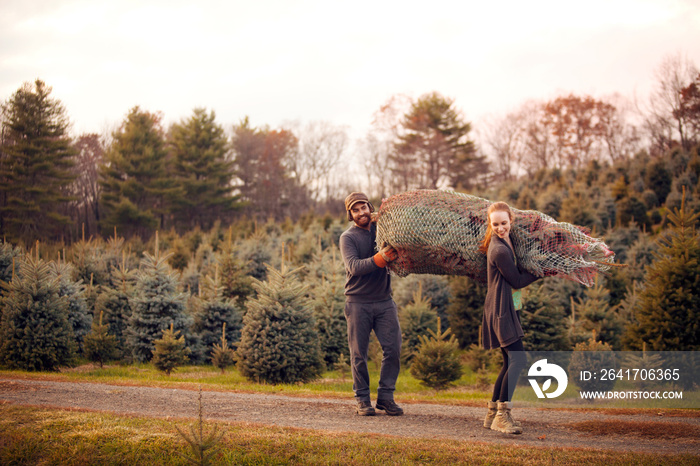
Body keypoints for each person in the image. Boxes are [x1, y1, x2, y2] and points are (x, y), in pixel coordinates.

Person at [339, 192, 404, 416]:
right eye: (355, 210)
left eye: (364, 208)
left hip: (384, 301)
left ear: (370, 207)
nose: (361, 213)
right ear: (350, 214)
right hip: (358, 303)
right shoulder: (348, 237)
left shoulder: (381, 231)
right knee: (359, 354)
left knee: (393, 349)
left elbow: (401, 237)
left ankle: (386, 397)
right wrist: (381, 258)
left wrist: (387, 218)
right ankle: (362, 399)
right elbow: (354, 266)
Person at [479, 201, 539, 434]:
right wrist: (540, 271)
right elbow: (517, 281)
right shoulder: (499, 250)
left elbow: (512, 285)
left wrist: (517, 307)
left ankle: (492, 414)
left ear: (511, 221)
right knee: (519, 359)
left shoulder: (506, 242)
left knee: (509, 360)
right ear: (490, 224)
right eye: (495, 224)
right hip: (500, 309)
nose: (500, 228)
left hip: (503, 307)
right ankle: (503, 417)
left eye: (504, 223)